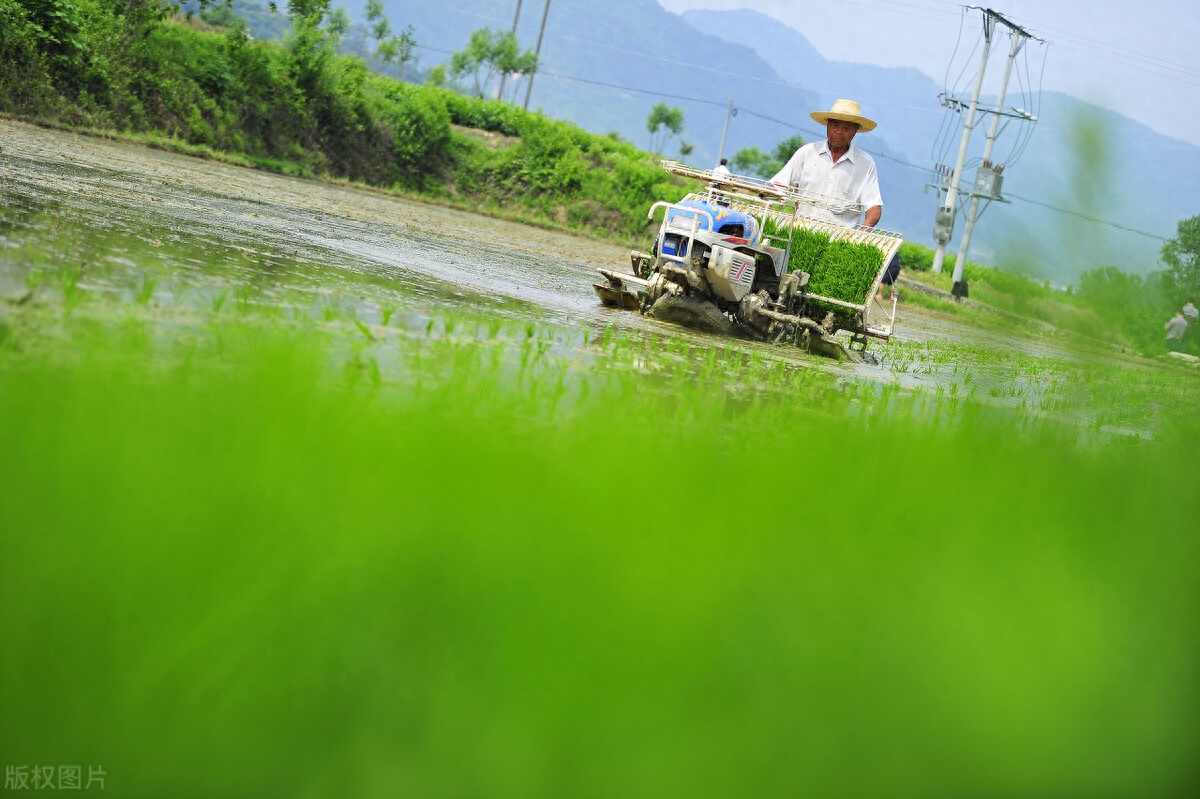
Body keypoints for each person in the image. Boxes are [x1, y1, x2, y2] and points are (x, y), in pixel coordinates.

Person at [770, 98, 883, 229]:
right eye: (835, 125)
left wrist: (862, 232)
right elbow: (778, 186)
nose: (839, 132)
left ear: (855, 132)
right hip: (800, 229)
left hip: (840, 238)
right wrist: (767, 204)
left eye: (846, 128)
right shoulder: (807, 153)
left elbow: (874, 207)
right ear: (828, 126)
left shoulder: (865, 164)